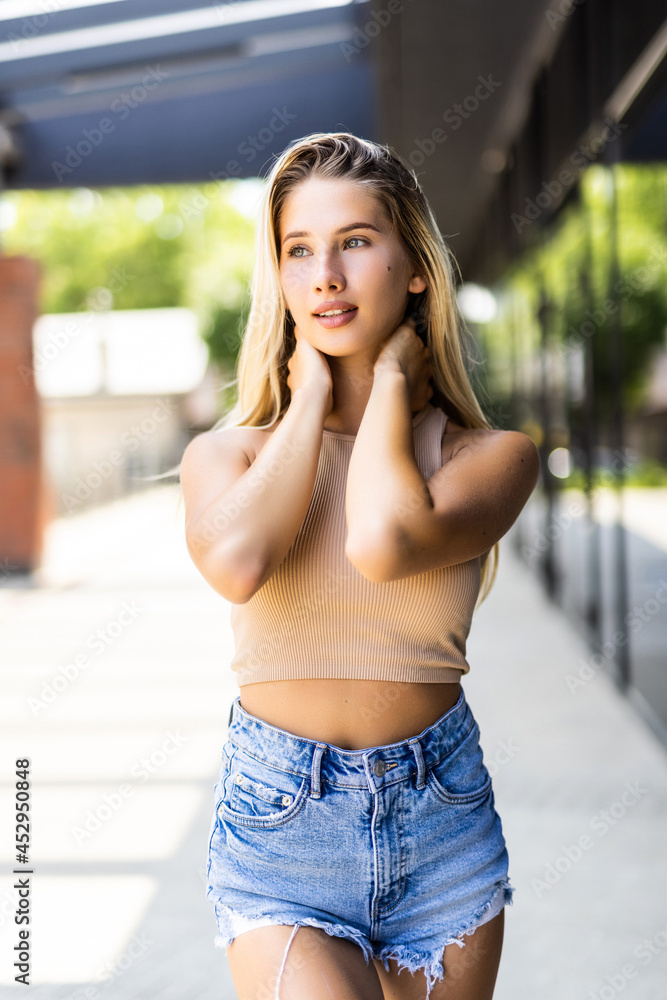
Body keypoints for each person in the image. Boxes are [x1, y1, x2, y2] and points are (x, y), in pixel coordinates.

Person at [180, 132, 540, 1000]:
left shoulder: (489, 458)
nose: (325, 276)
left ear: (414, 266)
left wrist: (387, 388)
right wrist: (307, 396)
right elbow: (236, 563)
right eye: (298, 251)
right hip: (281, 828)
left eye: (354, 241)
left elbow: (384, 541)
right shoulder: (227, 457)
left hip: (440, 824)